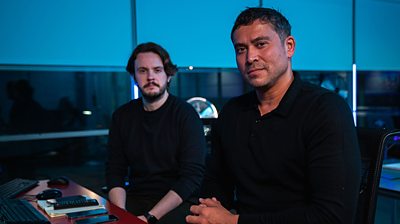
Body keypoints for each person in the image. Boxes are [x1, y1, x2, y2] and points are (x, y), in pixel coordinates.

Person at [186, 7, 361, 224]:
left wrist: (233, 222)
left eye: (261, 44)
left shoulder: (325, 109)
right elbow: (215, 183)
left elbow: (333, 216)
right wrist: (210, 213)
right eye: (241, 49)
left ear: (289, 47)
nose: (250, 57)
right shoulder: (232, 112)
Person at [106, 42, 206, 224]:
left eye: (157, 70)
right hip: (135, 200)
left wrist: (150, 218)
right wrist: (121, 215)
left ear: (168, 75)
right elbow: (115, 171)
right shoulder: (122, 116)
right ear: (134, 76)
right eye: (143, 71)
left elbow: (191, 178)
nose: (150, 77)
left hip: (177, 202)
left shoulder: (186, 115)